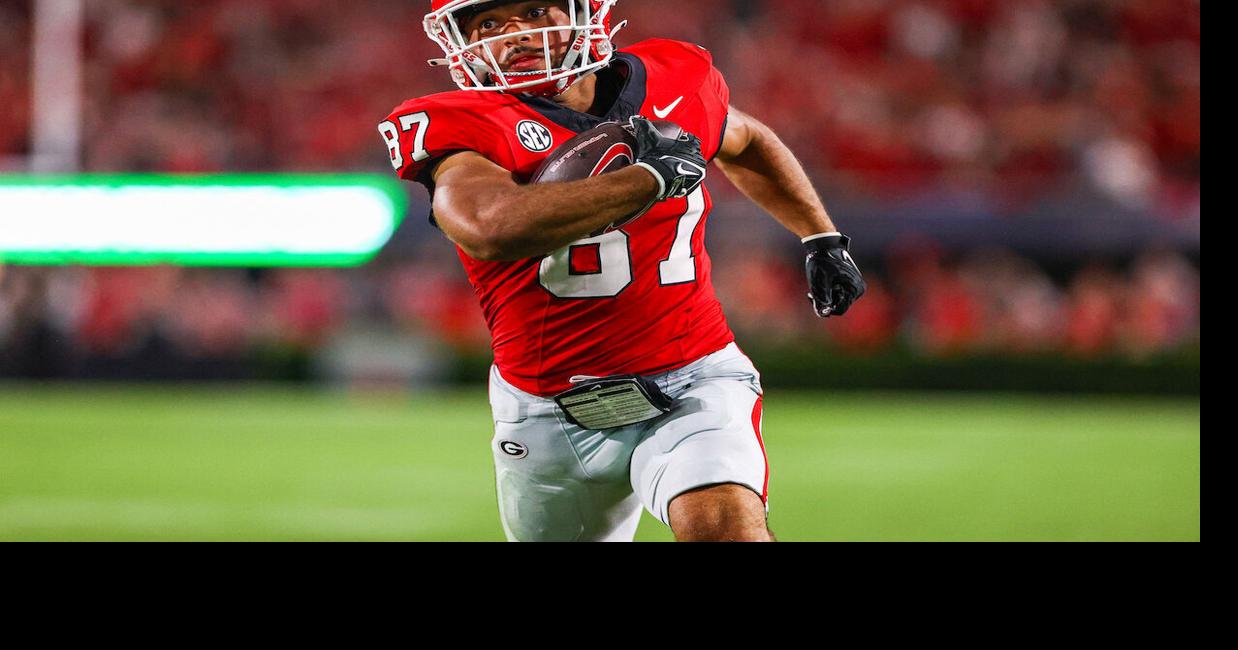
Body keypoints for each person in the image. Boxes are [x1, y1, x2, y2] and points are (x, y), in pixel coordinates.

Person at [378, 0, 865, 542]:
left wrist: (820, 235)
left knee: (727, 532)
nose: (513, 34)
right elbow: (488, 227)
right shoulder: (469, 123)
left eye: (536, 11)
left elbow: (745, 140)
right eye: (488, 24)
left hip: (692, 378)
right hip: (547, 410)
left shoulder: (674, 77)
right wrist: (645, 180)